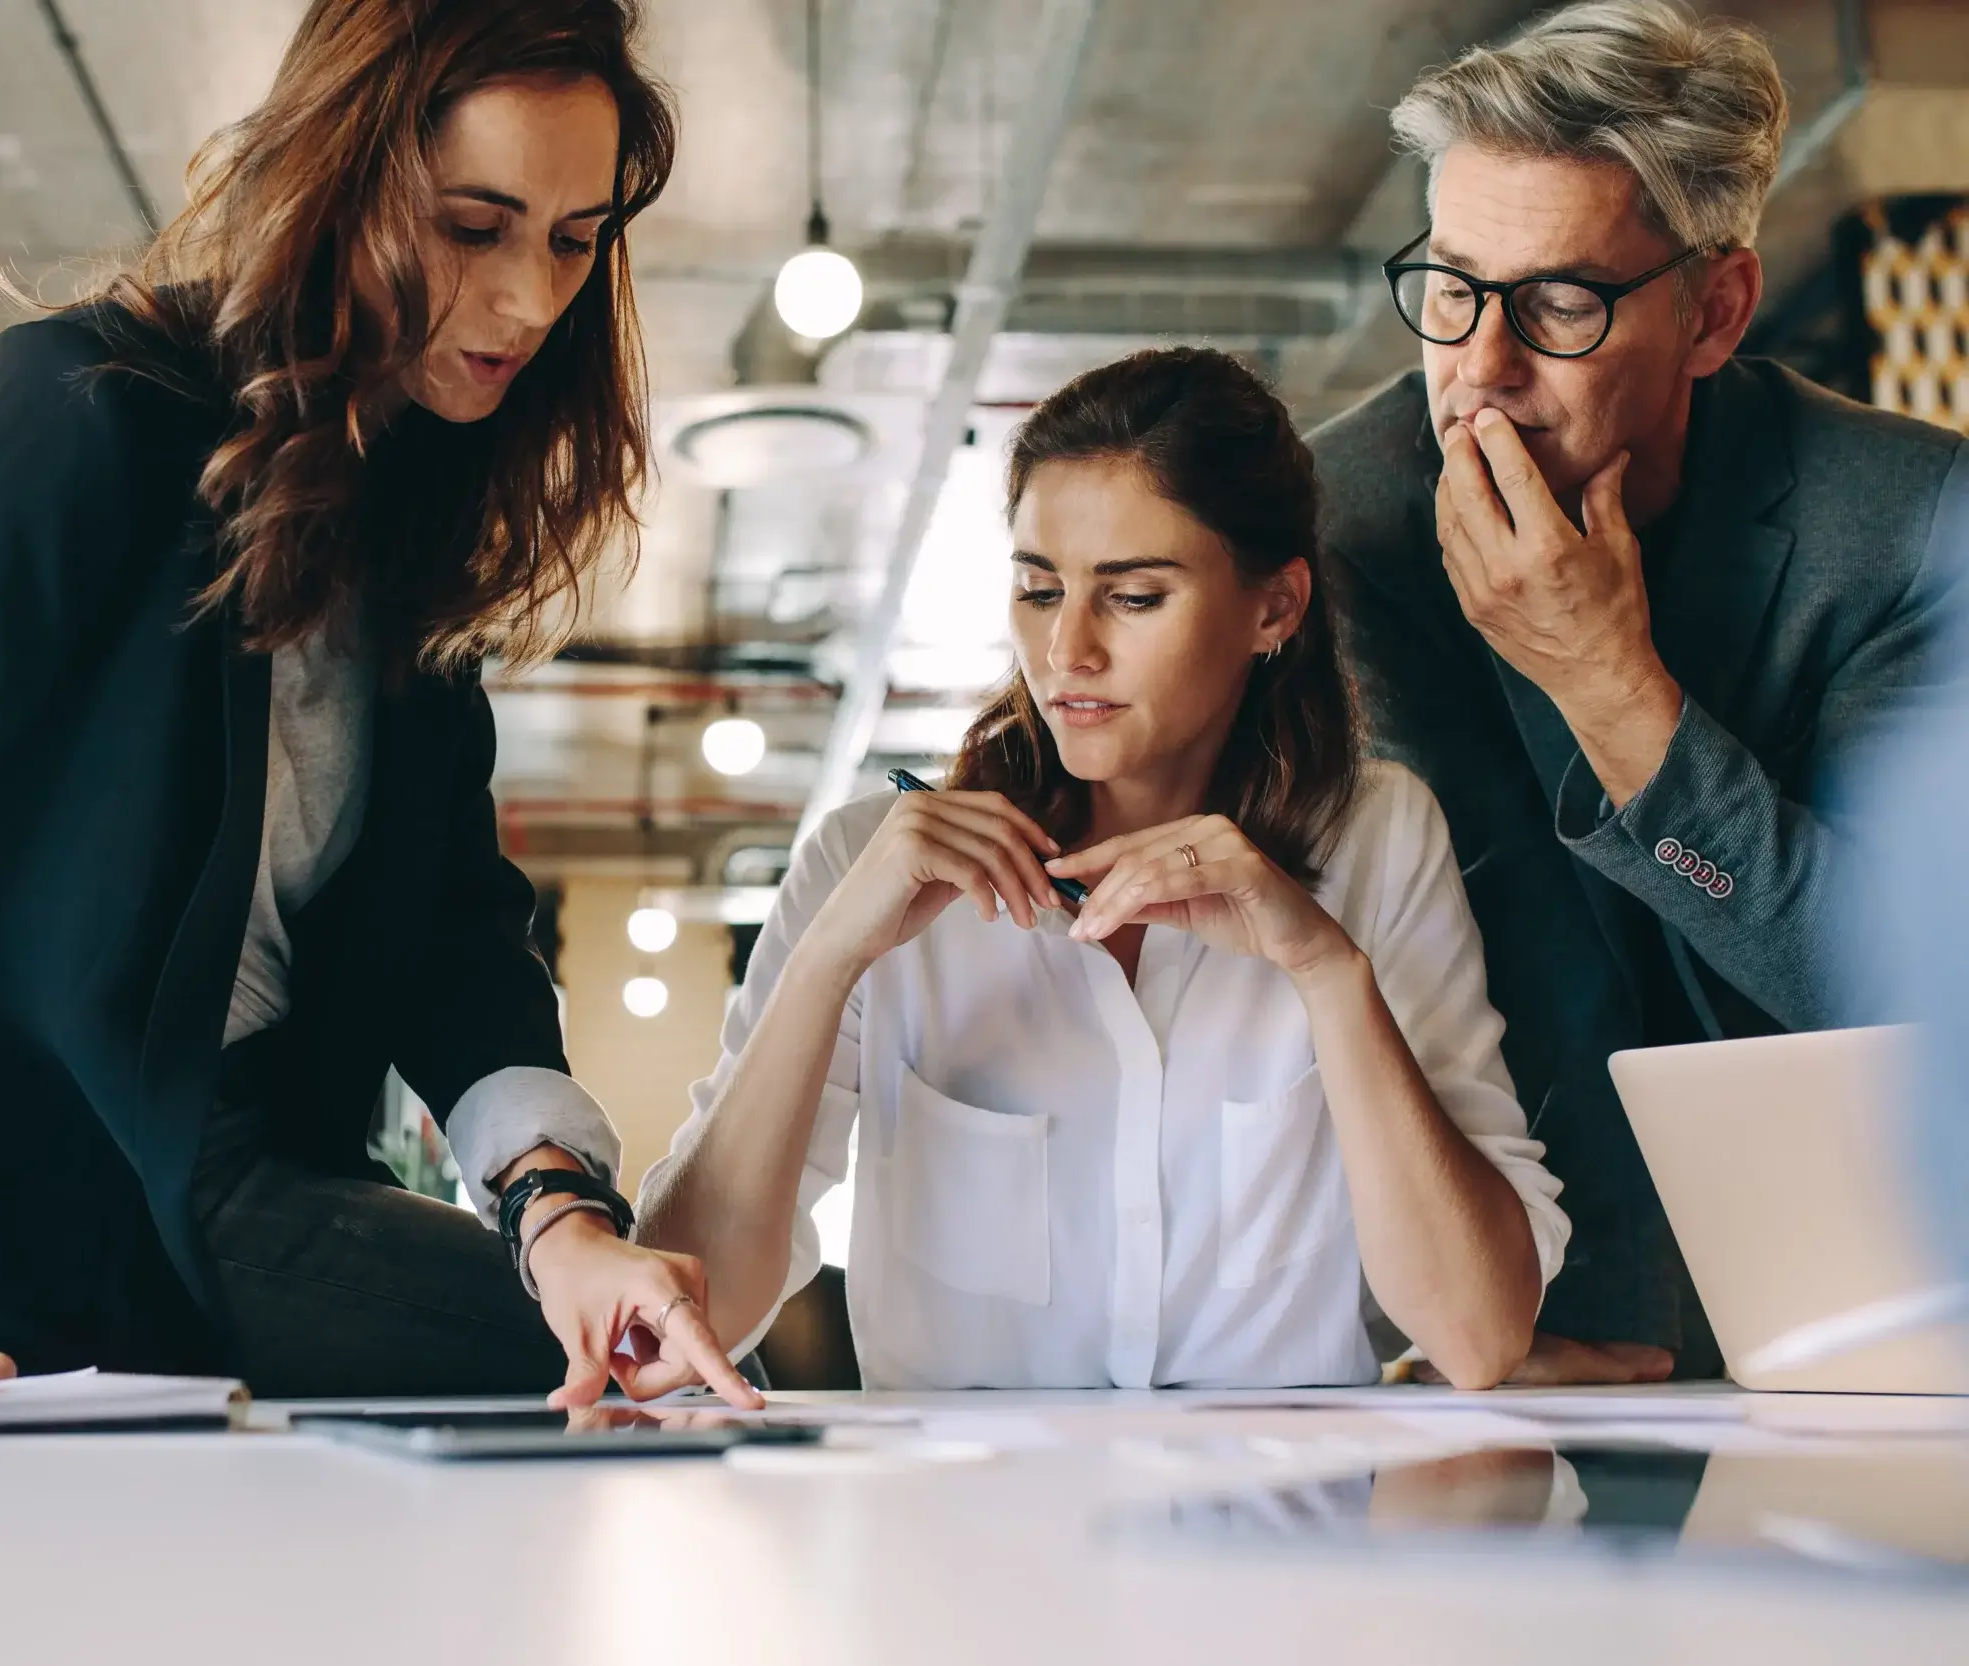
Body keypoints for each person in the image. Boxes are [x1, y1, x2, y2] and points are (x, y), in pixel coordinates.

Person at [0, 0, 758, 1411]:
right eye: (473, 224)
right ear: (339, 181)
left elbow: (455, 937)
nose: (529, 300)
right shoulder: (70, 414)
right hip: (14, 1221)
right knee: (629, 1385)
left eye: (575, 239)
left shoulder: (401, 523)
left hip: (245, 1180)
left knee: (643, 1353)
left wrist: (560, 1212)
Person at [636, 349, 1570, 1391]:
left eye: (1131, 597)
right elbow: (683, 1321)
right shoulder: (867, 864)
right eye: (1038, 590)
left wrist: (1324, 970)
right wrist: (825, 964)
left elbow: (1478, 1335)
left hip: (1282, 1532)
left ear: (1274, 609)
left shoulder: (1380, 839)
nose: (1065, 650)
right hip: (963, 1533)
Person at [1309, 0, 1969, 1383]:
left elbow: (1891, 988)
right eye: (1449, 286)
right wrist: (1532, 1309)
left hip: (1857, 1298)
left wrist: (1612, 690)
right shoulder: (1336, 530)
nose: (1477, 372)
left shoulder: (1905, 525)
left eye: (1558, 301)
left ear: (1716, 311)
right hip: (1490, 1316)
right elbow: (1441, 960)